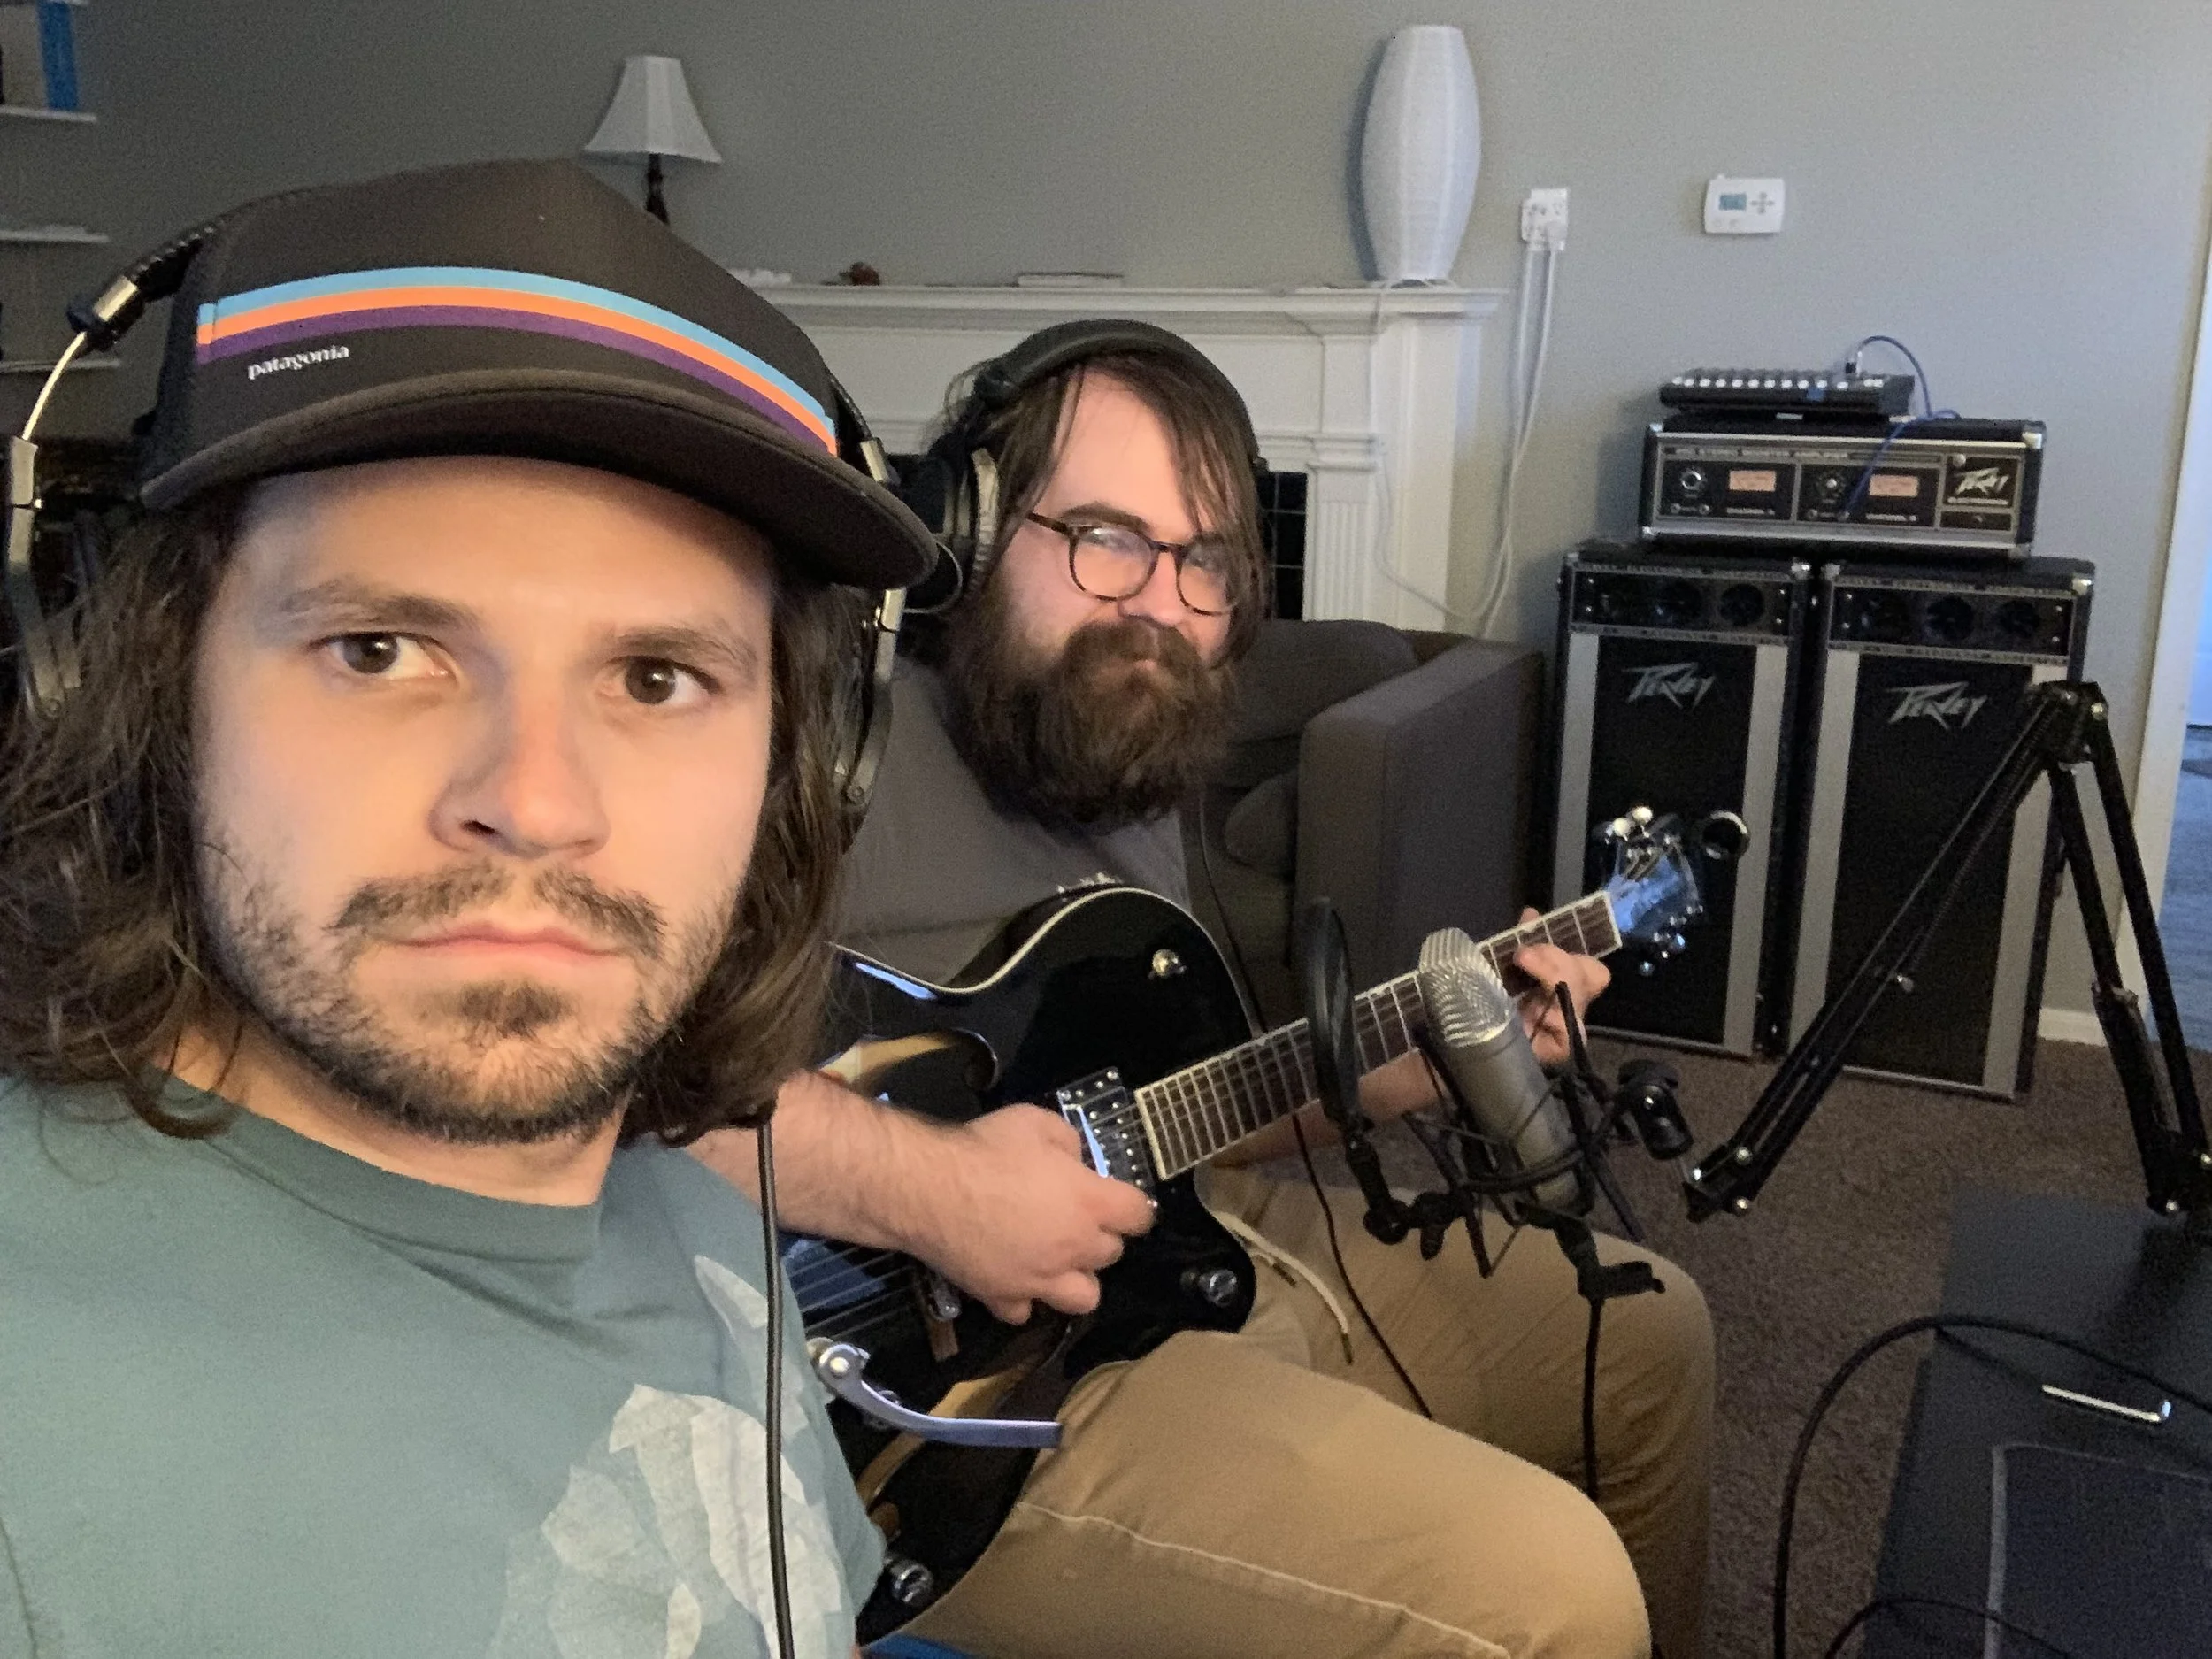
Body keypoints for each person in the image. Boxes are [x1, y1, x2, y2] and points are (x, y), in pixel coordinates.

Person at [0, 159, 933, 1658]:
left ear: (806, 768)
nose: (535, 797)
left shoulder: (700, 1228)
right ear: (145, 690)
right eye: (380, 648)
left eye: (655, 677)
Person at [694, 323, 1715, 1659]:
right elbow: (603, 1092)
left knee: (1652, 1338)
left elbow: (1158, 1109)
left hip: (1182, 1248)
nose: (1161, 607)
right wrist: (936, 1190)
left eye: (1206, 563)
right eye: (1107, 537)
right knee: (1550, 1590)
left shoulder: (1125, 748)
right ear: (972, 528)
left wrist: (1392, 1067)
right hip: (940, 1419)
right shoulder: (809, 746)